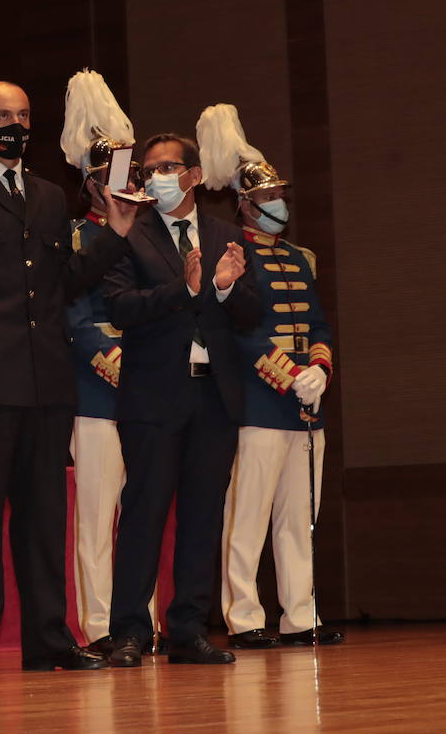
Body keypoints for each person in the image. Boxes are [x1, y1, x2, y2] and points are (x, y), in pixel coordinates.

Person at [0, 79, 136, 676]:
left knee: (44, 517)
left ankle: (48, 639)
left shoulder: (46, 196)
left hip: (47, 378)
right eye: (2, 115)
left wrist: (115, 233)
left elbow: (64, 284)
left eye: (23, 115)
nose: (14, 124)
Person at [102, 132, 260, 668]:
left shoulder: (225, 233)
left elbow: (253, 313)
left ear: (193, 174)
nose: (156, 179)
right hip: (152, 398)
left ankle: (188, 630)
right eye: (148, 171)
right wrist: (186, 291)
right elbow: (121, 307)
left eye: (167, 168)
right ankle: (127, 630)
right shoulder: (129, 234)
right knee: (144, 512)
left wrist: (222, 289)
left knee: (202, 515)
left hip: (214, 398)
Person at [194, 104, 344, 649]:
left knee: (300, 517)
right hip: (260, 402)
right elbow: (243, 335)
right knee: (249, 517)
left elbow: (320, 323)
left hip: (307, 402)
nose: (278, 204)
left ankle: (300, 615)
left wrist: (320, 370)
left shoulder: (300, 259)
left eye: (279, 196)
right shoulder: (234, 255)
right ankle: (245, 616)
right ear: (246, 205)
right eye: (267, 197)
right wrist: (289, 377)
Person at [58, 69, 164, 657]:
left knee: (142, 515)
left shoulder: (151, 237)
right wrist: (118, 363)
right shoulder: (77, 237)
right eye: (106, 177)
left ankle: (138, 621)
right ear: (91, 184)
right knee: (97, 520)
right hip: (99, 394)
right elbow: (75, 317)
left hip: (149, 394)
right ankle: (101, 625)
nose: (116, 185)